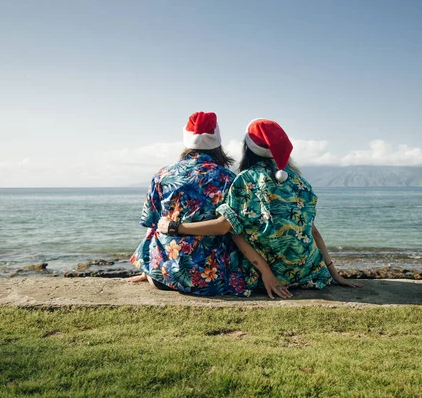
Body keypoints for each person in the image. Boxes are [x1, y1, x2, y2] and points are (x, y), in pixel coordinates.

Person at [158, 118, 362, 297]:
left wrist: (267, 273)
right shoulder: (299, 183)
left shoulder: (245, 180)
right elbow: (312, 230)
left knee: (234, 235)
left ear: (247, 149)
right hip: (306, 272)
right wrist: (333, 273)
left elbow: (228, 228)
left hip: (264, 276)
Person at [127, 112, 268, 297]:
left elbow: (151, 225)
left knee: (159, 223)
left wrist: (148, 267)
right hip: (213, 279)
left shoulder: (162, 175)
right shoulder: (228, 179)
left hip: (163, 277)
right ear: (217, 142)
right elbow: (234, 229)